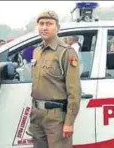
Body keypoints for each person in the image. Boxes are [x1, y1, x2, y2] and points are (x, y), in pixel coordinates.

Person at [29, 10, 81, 148]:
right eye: (41, 24)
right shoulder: (37, 51)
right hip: (37, 114)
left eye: (49, 24)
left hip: (56, 116)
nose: (44, 27)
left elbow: (74, 89)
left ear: (57, 27)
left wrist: (69, 122)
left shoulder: (65, 52)